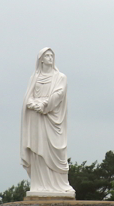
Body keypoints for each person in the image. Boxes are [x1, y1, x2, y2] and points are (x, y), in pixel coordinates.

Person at [20, 48, 75, 196]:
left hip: (52, 117)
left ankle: (58, 184)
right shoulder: (34, 78)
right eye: (47, 55)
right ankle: (39, 185)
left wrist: (44, 105)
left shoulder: (60, 77)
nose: (50, 58)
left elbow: (59, 94)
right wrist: (32, 103)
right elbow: (28, 97)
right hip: (36, 118)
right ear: (41, 59)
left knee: (56, 149)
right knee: (38, 148)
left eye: (52, 55)